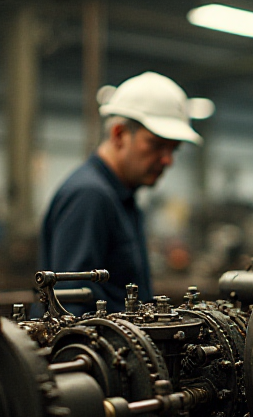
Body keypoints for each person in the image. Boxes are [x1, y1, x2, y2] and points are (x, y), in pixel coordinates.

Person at [40, 72, 202, 314]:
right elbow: (70, 307)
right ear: (119, 135)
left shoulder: (122, 197)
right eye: (157, 145)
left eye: (173, 149)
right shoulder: (90, 196)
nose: (168, 160)